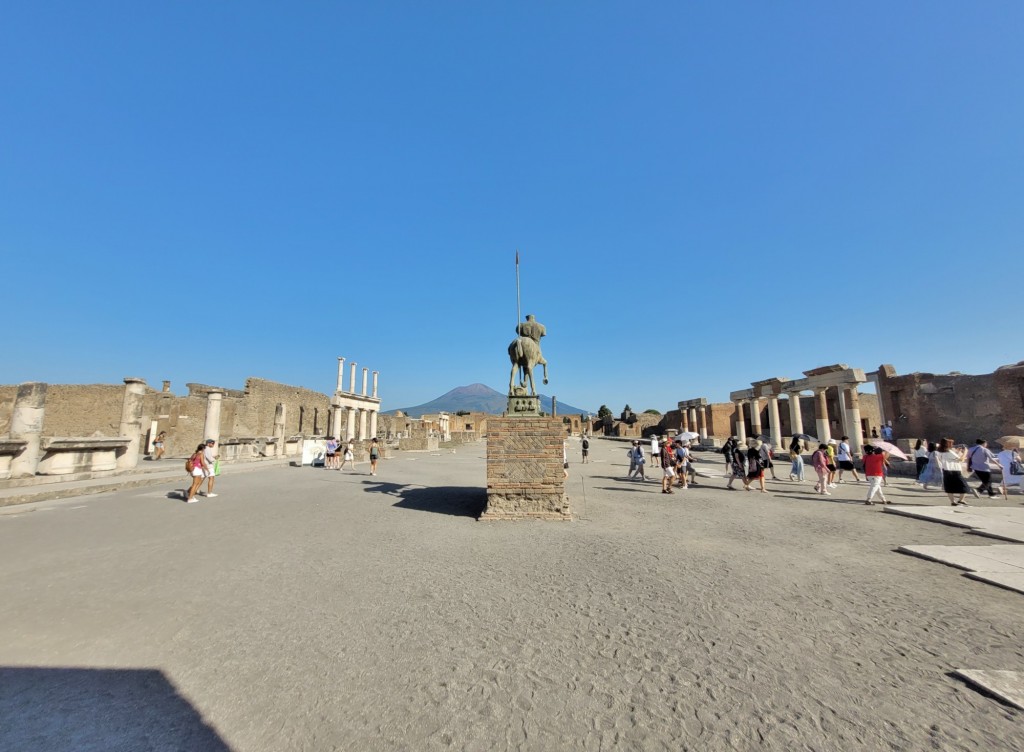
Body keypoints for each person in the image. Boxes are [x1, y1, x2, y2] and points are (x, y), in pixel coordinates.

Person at [935, 438, 969, 506]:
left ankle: (953, 502)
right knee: (964, 487)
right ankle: (961, 500)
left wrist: (957, 452)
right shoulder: (949, 452)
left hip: (946, 470)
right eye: (951, 443)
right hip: (955, 470)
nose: (953, 445)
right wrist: (965, 451)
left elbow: (950, 458)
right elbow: (961, 459)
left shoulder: (939, 451)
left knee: (949, 487)